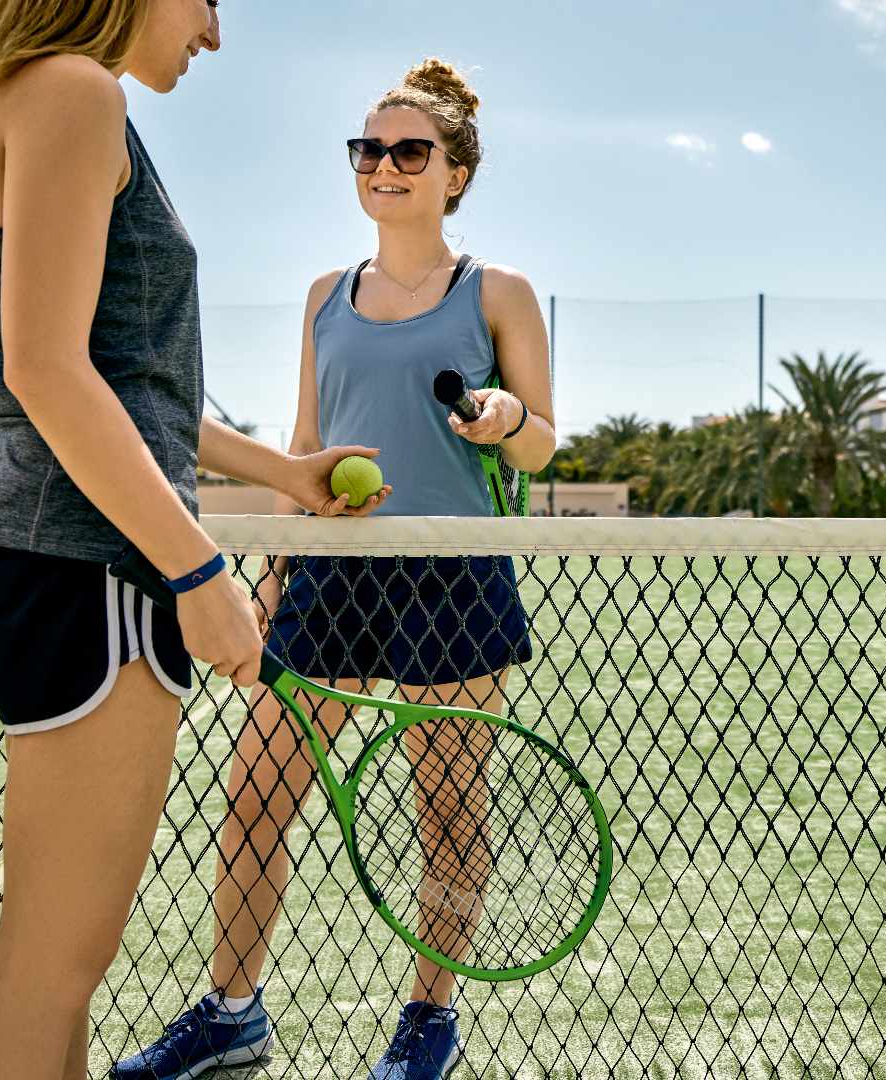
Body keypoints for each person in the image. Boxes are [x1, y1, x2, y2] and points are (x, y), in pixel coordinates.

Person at [0, 4, 386, 1078]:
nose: (214, 32)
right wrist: (193, 566)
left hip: (48, 552)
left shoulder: (33, 96)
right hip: (86, 563)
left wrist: (281, 472)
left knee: (60, 961)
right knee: (52, 960)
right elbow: (46, 370)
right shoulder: (73, 92)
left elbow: (127, 384)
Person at [114, 58, 554, 1080]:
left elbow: (540, 447)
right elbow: (306, 447)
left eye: (410, 151)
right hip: (326, 576)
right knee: (256, 791)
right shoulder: (323, 296)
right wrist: (270, 576)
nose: (385, 166)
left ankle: (426, 1023)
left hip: (453, 571)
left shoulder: (499, 292)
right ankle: (231, 1011)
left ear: (454, 173)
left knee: (446, 807)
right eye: (369, 150)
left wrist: (505, 419)